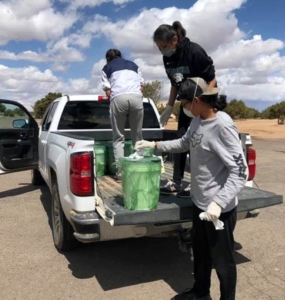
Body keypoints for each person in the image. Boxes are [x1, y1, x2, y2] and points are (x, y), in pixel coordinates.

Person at [135, 78, 248, 300]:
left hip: (218, 211)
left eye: (184, 103)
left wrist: (219, 202)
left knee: (223, 261)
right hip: (200, 204)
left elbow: (240, 171)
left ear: (196, 100)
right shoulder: (198, 120)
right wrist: (155, 145)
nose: (183, 109)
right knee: (201, 253)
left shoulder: (223, 126)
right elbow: (184, 143)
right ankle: (200, 293)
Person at [153, 21, 216, 198]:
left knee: (200, 142)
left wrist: (205, 104)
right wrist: (170, 106)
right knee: (181, 140)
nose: (162, 51)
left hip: (203, 102)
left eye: (164, 46)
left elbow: (212, 78)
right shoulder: (168, 58)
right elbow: (175, 83)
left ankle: (198, 183)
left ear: (175, 39)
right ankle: (177, 182)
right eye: (159, 48)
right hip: (187, 104)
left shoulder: (194, 51)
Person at [101, 49, 145, 181]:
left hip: (119, 97)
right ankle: (140, 168)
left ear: (108, 58)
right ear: (121, 56)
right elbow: (141, 86)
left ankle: (120, 173)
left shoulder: (106, 67)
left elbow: (108, 91)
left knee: (119, 137)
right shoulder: (134, 65)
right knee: (137, 135)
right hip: (136, 97)